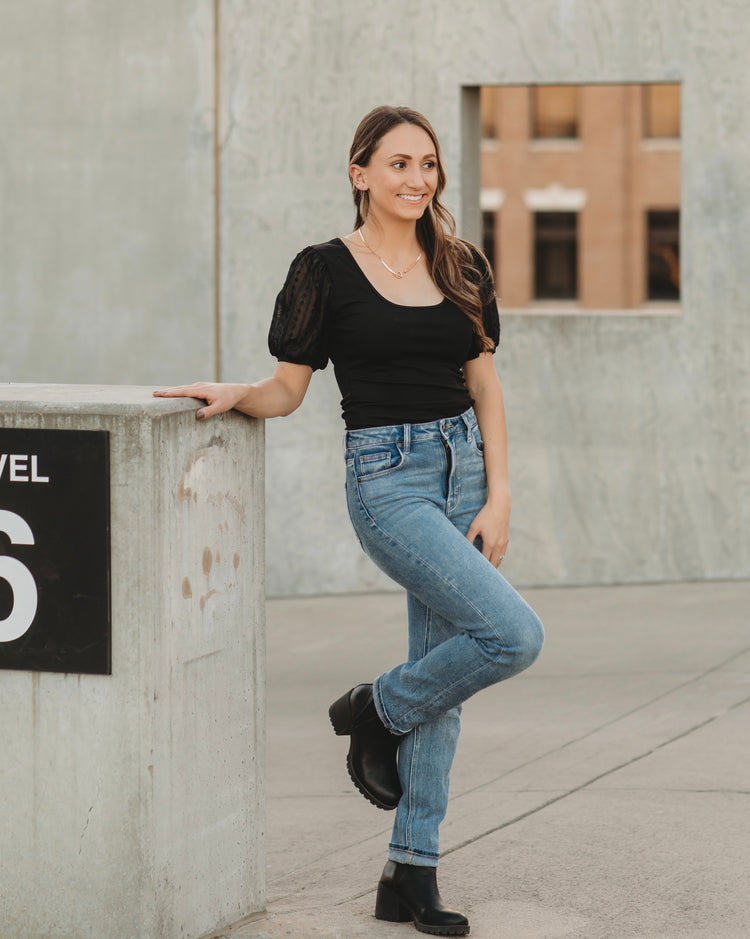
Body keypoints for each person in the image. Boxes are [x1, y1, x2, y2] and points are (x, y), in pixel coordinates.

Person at [155, 105, 544, 937]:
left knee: (450, 672)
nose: (417, 179)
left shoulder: (462, 263)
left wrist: (500, 491)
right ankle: (376, 707)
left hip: (465, 469)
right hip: (388, 480)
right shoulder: (324, 271)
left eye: (429, 165)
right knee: (512, 635)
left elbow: (485, 383)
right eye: (399, 163)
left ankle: (411, 873)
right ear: (360, 172)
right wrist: (235, 395)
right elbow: (288, 391)